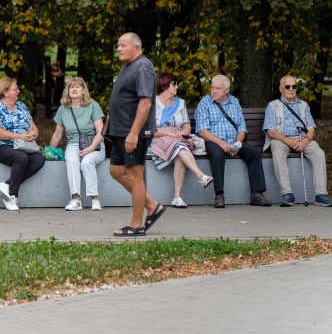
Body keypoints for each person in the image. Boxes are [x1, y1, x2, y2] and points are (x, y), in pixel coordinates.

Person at [107, 33, 165, 237]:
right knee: (115, 170)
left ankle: (137, 224)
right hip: (121, 131)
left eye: (123, 45)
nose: (119, 49)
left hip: (133, 132)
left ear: (136, 47)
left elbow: (145, 102)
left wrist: (134, 133)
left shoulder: (143, 67)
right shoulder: (128, 66)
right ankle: (152, 205)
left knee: (135, 175)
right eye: (118, 45)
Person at [195, 74, 271, 208]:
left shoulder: (234, 102)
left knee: (254, 153)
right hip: (214, 141)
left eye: (218, 88)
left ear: (227, 90)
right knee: (217, 154)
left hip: (233, 141)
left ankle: (256, 194)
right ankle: (219, 195)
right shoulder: (205, 102)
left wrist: (237, 143)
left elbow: (242, 128)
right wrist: (222, 143)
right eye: (212, 88)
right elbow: (202, 131)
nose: (214, 91)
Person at [264, 75, 330, 206]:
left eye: (294, 86)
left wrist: (306, 140)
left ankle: (320, 195)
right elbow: (270, 131)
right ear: (281, 89)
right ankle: (287, 194)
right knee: (277, 150)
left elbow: (311, 128)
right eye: (287, 86)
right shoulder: (272, 106)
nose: (291, 89)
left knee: (318, 153)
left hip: (302, 139)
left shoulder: (303, 105)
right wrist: (288, 141)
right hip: (281, 139)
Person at [150, 73, 214, 208]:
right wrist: (173, 135)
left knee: (180, 155)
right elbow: (151, 129)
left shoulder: (181, 103)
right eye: (174, 84)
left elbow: (186, 125)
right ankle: (200, 175)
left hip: (177, 138)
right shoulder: (151, 103)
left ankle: (177, 197)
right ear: (165, 85)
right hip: (157, 138)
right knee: (179, 146)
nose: (177, 87)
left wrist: (183, 133)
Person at [0, 76, 44, 212]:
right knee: (21, 158)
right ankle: (12, 195)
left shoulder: (21, 106)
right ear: (5, 92)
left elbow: (33, 127)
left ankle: (7, 185)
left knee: (38, 160)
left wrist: (33, 133)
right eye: (15, 89)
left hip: (20, 146)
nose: (18, 92)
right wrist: (21, 136)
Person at [47, 77, 106, 212]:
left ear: (84, 91)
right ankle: (76, 199)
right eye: (71, 86)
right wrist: (49, 151)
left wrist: (90, 148)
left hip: (94, 143)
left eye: (78, 86)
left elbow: (101, 132)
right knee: (72, 160)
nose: (74, 89)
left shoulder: (93, 105)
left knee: (87, 162)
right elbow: (57, 134)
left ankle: (94, 199)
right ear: (67, 91)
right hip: (73, 144)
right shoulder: (63, 109)